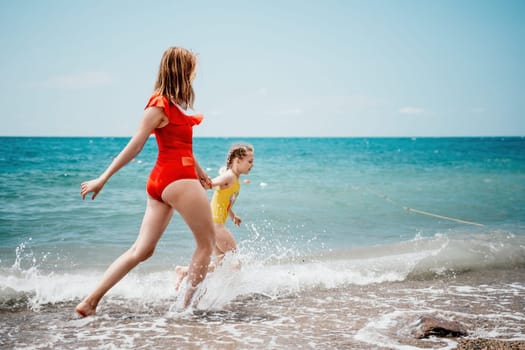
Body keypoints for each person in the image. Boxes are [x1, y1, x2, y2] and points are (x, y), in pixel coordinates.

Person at [75, 47, 215, 317]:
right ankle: (186, 308)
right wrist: (103, 178)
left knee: (142, 251)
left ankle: (89, 302)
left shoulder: (175, 105)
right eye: (191, 69)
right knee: (206, 244)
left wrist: (199, 170)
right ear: (181, 70)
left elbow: (182, 147)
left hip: (165, 180)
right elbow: (136, 145)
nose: (194, 74)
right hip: (177, 180)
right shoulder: (159, 104)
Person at [175, 143, 254, 289]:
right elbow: (210, 184)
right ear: (237, 160)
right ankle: (233, 291)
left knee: (220, 263)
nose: (252, 165)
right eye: (249, 161)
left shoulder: (234, 179)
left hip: (213, 225)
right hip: (216, 226)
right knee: (235, 259)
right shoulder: (229, 176)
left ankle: (184, 271)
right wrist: (204, 181)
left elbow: (225, 201)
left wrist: (232, 215)